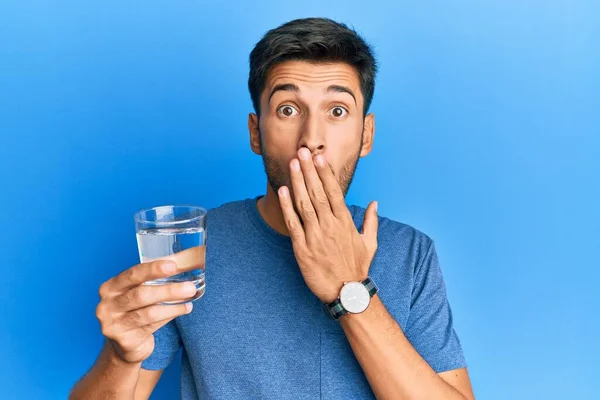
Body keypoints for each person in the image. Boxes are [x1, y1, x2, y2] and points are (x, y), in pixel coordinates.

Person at [70, 17, 474, 400]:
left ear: (365, 135)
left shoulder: (411, 253)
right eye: (287, 110)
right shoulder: (194, 245)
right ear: (255, 133)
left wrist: (350, 288)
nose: (311, 138)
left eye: (337, 111)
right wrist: (121, 357)